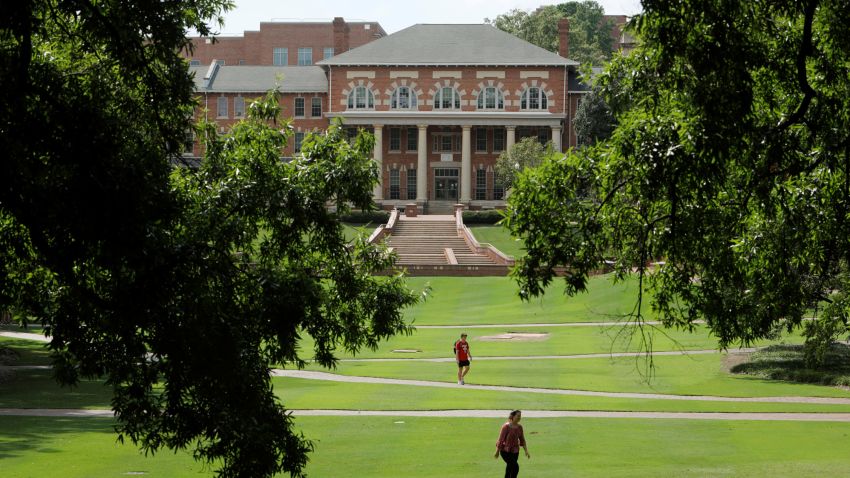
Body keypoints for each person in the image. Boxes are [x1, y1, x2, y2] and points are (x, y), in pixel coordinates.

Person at [494, 410, 530, 478]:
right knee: (516, 467)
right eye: (518, 416)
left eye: (520, 416)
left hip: (515, 451)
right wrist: (497, 452)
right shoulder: (506, 427)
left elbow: (522, 439)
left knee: (510, 468)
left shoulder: (520, 427)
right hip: (505, 451)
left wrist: (526, 451)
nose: (519, 417)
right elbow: (500, 440)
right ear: (513, 416)